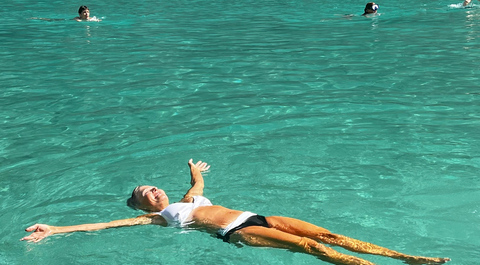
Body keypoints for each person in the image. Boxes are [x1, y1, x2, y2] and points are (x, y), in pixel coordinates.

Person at [22, 160, 450, 265]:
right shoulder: (158, 218)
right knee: (309, 247)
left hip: (262, 215)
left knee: (331, 235)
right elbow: (103, 223)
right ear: (141, 206)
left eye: (151, 185)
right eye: (142, 193)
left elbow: (199, 187)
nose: (150, 190)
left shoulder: (187, 200)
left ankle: (404, 257)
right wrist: (55, 228)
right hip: (238, 233)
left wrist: (194, 169)